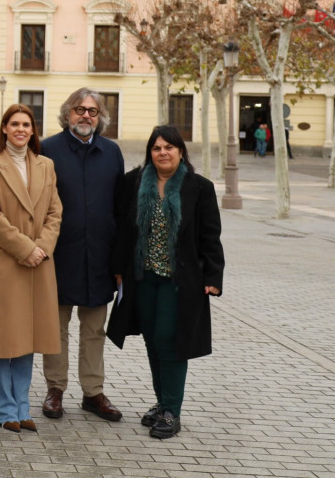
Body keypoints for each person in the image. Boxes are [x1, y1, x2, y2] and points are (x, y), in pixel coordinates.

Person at [108, 125, 225, 439]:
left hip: (180, 280)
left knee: (170, 339)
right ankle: (162, 403)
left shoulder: (199, 187)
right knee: (152, 339)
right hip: (142, 277)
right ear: (150, 152)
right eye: (157, 148)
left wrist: (213, 276)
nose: (162, 153)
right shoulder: (133, 183)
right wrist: (118, 269)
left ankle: (172, 411)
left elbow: (210, 235)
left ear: (180, 151)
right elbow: (121, 229)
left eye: (169, 147)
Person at [40, 88, 127, 423]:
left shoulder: (112, 152)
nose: (86, 116)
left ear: (100, 116)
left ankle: (93, 393)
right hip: (59, 256)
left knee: (94, 330)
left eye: (92, 111)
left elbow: (120, 210)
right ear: (67, 114)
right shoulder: (48, 150)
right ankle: (55, 390)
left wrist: (119, 261)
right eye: (79, 110)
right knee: (56, 329)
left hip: (100, 259)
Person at [0, 104, 63, 432]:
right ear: (4, 129)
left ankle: (23, 407)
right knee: (3, 338)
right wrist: (26, 249)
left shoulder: (46, 165)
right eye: (15, 124)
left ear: (33, 130)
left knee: (29, 337)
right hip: (5, 261)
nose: (21, 129)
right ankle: (4, 410)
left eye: (27, 124)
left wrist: (42, 248)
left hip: (39, 262)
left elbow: (55, 212)